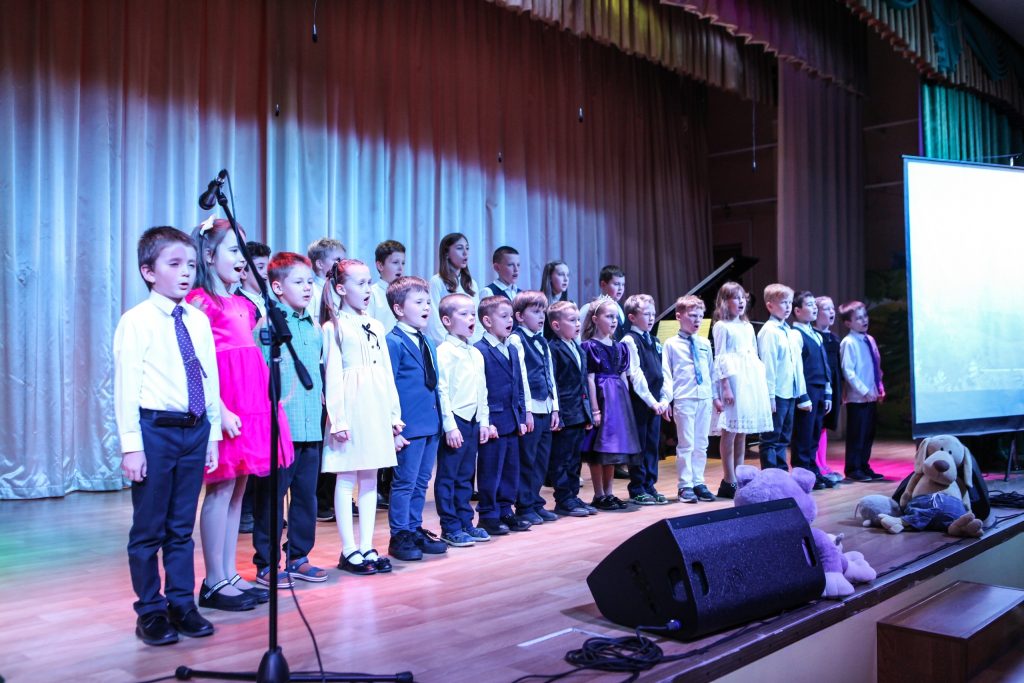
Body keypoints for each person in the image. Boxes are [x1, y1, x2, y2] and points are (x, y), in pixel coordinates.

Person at [115, 226, 221, 645]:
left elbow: (208, 378)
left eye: (191, 265)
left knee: (181, 526)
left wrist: (212, 434)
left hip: (195, 429)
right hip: (155, 430)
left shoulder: (198, 319)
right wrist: (132, 446)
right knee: (149, 528)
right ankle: (150, 610)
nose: (186, 273)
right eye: (174, 264)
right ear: (148, 272)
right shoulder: (136, 321)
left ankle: (182, 603)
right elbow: (126, 387)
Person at [186, 218, 294, 611]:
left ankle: (229, 572)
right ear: (208, 254)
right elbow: (198, 364)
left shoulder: (243, 304)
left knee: (238, 490)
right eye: (234, 250)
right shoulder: (199, 301)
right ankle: (213, 579)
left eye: (244, 251)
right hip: (227, 401)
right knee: (220, 488)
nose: (242, 259)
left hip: (252, 399)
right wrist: (220, 408)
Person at [320, 259, 403, 575]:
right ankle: (348, 549)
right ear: (341, 289)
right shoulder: (333, 327)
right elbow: (332, 375)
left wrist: (393, 414)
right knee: (346, 478)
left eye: (370, 282)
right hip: (351, 407)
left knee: (371, 477)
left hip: (375, 405)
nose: (368, 289)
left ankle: (367, 545)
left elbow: (386, 373)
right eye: (360, 283)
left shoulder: (377, 325)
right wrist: (338, 419)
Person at [251, 252, 328, 587]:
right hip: (281, 428)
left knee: (306, 497)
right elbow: (259, 376)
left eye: (310, 281)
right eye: (299, 282)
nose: (308, 288)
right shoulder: (267, 326)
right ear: (278, 287)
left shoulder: (313, 327)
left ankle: (298, 556)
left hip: (311, 427)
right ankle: (266, 563)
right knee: (272, 498)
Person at [384, 276, 449, 561]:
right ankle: (400, 534)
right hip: (408, 425)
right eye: (419, 302)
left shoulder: (428, 341)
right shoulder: (393, 342)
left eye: (427, 302)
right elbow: (388, 386)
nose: (426, 307)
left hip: (430, 424)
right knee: (404, 482)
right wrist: (394, 427)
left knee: (422, 482)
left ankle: (413, 527)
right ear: (399, 309)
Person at [434, 293, 492, 547]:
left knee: (466, 476)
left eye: (472, 313)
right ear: (447, 320)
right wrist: (450, 426)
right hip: (456, 421)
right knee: (449, 476)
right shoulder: (444, 352)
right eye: (464, 314)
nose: (471, 319)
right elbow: (442, 391)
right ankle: (450, 526)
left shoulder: (475, 352)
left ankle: (465, 521)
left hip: (473, 421)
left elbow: (482, 390)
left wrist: (484, 421)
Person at [474, 296, 530, 535]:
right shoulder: (480, 350)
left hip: (512, 419)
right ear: (487, 321)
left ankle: (506, 509)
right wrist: (485, 422)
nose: (510, 321)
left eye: (510, 316)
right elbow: (481, 390)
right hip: (494, 421)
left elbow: (518, 385)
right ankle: (488, 514)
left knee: (510, 468)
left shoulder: (512, 349)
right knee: (491, 470)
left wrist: (522, 415)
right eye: (503, 316)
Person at [711, 282, 772, 498]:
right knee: (730, 431)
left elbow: (753, 353)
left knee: (742, 431)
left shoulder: (746, 326)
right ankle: (729, 480)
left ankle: (740, 475)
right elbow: (720, 357)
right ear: (725, 301)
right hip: (733, 380)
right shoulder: (722, 326)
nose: (741, 302)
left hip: (748, 380)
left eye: (742, 298)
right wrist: (725, 387)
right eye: (735, 298)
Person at [580, 298, 640, 510]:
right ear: (595, 319)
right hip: (602, 399)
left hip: (617, 403)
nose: (614, 321)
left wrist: (626, 408)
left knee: (612, 450)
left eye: (616, 317)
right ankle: (599, 494)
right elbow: (589, 379)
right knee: (599, 449)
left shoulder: (620, 347)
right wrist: (595, 409)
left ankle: (609, 492)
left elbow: (623, 378)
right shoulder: (589, 346)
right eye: (609, 316)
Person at [509, 291, 561, 525]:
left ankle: (535, 501)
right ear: (520, 316)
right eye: (536, 312)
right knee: (527, 459)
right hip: (531, 409)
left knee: (541, 459)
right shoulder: (517, 339)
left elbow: (550, 375)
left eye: (543, 312)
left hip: (546, 407)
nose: (541, 317)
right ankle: (524, 505)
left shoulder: (542, 341)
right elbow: (521, 377)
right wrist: (527, 411)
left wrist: (555, 408)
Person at [306, 237, 346, 523]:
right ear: (320, 264)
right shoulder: (312, 292)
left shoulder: (340, 291)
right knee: (324, 434)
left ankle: (335, 494)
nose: (340, 265)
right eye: (336, 260)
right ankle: (320, 499)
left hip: (339, 364)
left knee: (338, 430)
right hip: (321, 365)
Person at [661, 296, 717, 503]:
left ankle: (698, 482)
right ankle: (685, 485)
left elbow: (711, 371)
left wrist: (715, 397)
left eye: (700, 316)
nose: (697, 320)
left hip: (704, 398)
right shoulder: (671, 344)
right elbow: (666, 374)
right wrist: (666, 400)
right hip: (684, 398)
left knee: (702, 443)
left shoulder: (704, 343)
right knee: (686, 444)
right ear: (679, 316)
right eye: (692, 315)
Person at [545, 302, 596, 517]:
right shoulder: (553, 349)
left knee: (575, 459)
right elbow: (553, 383)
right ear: (556, 325)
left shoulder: (578, 347)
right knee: (562, 459)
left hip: (579, 412)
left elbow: (583, 383)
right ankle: (563, 498)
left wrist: (588, 412)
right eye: (572, 320)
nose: (577, 324)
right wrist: (557, 413)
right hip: (565, 412)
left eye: (578, 320)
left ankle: (573, 495)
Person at [620, 294, 671, 505]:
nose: (651, 318)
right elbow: (636, 375)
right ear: (632, 317)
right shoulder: (629, 340)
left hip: (656, 402)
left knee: (652, 445)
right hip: (640, 402)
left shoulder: (655, 340)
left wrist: (665, 399)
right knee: (639, 446)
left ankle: (650, 484)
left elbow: (664, 371)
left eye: (653, 314)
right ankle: (637, 487)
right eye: (646, 314)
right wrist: (652, 402)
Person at [757, 283, 810, 471]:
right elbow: (768, 366)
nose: (788, 307)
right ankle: (771, 476)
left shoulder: (791, 332)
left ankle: (781, 473)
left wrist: (802, 394)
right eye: (782, 303)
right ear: (770, 305)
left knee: (784, 437)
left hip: (790, 392)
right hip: (777, 393)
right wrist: (770, 396)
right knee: (770, 438)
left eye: (789, 302)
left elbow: (797, 366)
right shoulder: (769, 332)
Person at [790, 291, 835, 489]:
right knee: (803, 434)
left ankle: (813, 470)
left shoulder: (815, 334)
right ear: (798, 311)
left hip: (819, 389)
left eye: (814, 304)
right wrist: (802, 395)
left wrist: (827, 392)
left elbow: (825, 365)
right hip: (806, 390)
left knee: (815, 433)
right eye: (809, 305)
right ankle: (802, 474)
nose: (814, 308)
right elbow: (797, 367)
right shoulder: (795, 334)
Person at [839, 300, 886, 482]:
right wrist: (865, 390)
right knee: (857, 434)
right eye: (858, 318)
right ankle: (853, 468)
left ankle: (864, 465)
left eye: (865, 316)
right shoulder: (849, 342)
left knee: (868, 434)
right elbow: (848, 371)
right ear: (848, 323)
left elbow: (876, 366)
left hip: (871, 395)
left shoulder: (869, 339)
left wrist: (879, 386)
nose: (864, 320)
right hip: (858, 398)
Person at [427, 233, 482, 345]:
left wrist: (473, 344)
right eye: (459, 248)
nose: (465, 253)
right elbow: (434, 323)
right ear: (446, 253)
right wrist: (454, 345)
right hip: (448, 346)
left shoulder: (471, 284)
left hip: (470, 346)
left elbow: (477, 320)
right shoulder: (437, 282)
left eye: (467, 248)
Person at [813, 295, 843, 482]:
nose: (832, 312)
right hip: (820, 387)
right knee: (817, 426)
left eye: (833, 308)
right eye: (827, 308)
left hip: (834, 385)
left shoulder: (834, 338)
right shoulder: (814, 337)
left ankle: (823, 463)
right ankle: (816, 464)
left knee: (824, 427)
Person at [577, 265, 626, 341]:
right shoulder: (590, 308)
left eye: (623, 284)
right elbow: (579, 335)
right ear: (603, 284)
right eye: (616, 284)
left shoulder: (620, 308)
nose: (620, 288)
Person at [367, 240, 405, 331]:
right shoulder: (372, 294)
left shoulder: (406, 294)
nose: (400, 268)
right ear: (380, 266)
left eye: (403, 263)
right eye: (395, 262)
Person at [236, 240, 271, 320]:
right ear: (243, 273)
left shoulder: (274, 306)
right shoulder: (235, 306)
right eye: (260, 267)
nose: (267, 272)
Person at [539, 260, 571, 339]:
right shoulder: (539, 304)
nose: (566, 279)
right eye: (561, 274)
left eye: (567, 275)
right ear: (550, 277)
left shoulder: (570, 305)